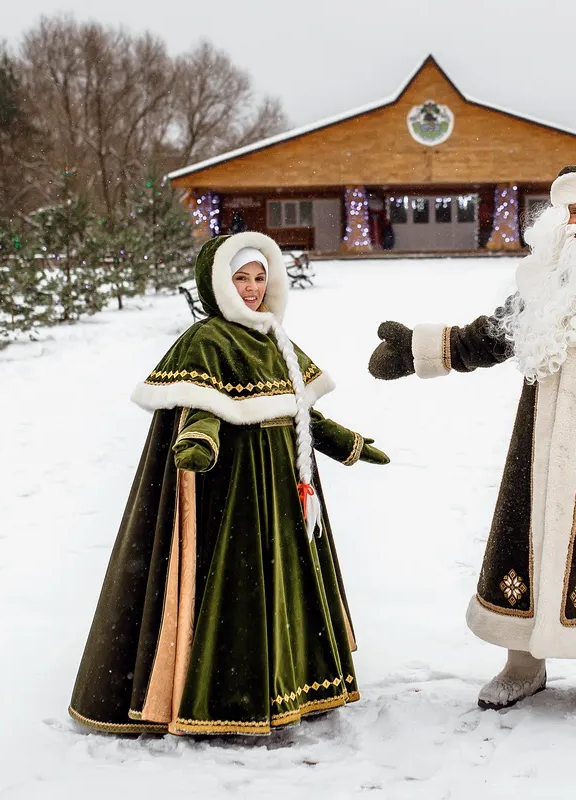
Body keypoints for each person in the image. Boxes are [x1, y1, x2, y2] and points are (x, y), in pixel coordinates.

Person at [368, 164, 576, 725]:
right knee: (524, 549)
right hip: (538, 450)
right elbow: (491, 337)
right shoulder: (541, 279)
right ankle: (523, 665)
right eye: (572, 212)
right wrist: (419, 351)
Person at [69, 231, 387, 736]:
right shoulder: (206, 340)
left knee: (285, 584)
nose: (253, 288)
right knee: (239, 588)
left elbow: (298, 413)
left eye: (260, 277)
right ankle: (231, 697)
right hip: (235, 492)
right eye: (241, 278)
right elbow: (201, 407)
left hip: (284, 488)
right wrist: (199, 441)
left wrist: (348, 443)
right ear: (216, 284)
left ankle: (295, 682)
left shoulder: (274, 338)